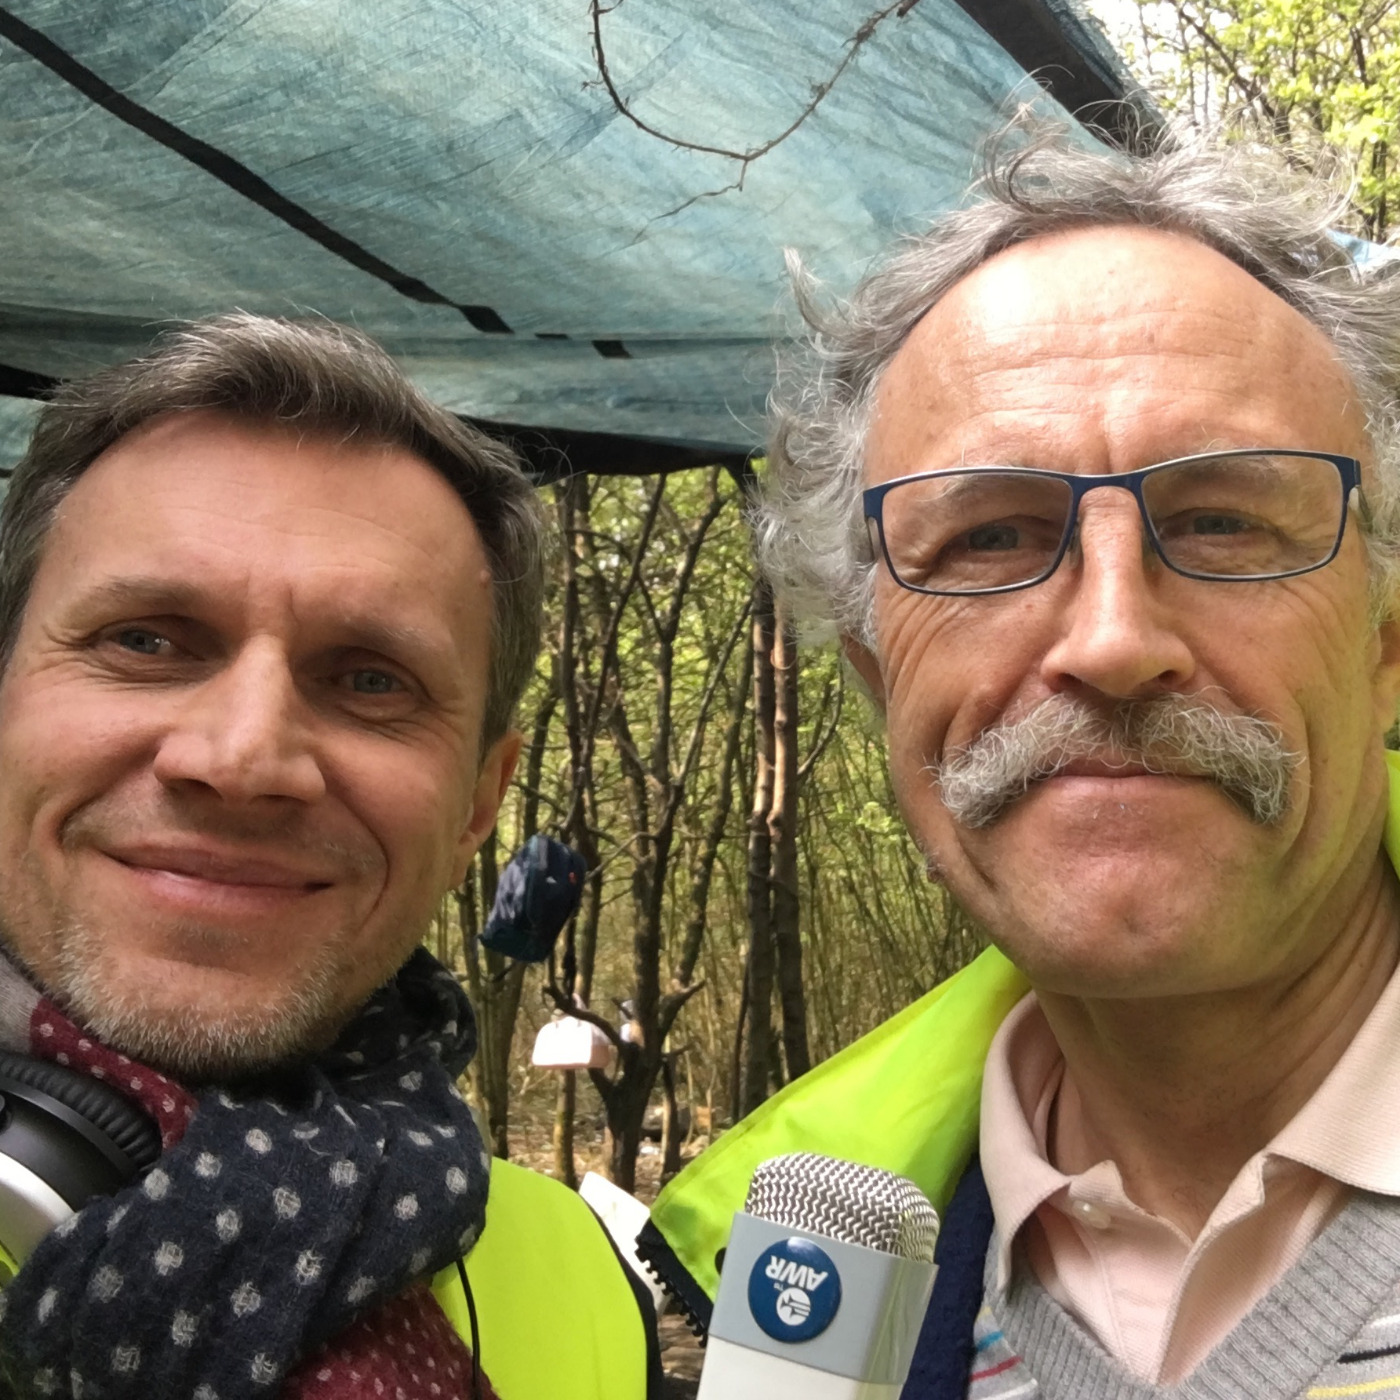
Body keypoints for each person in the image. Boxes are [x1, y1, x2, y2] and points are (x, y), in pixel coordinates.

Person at [641, 123, 1400, 1399]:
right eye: (990, 536)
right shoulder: (805, 1299)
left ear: (1384, 645)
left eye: (1222, 521)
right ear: (881, 681)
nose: (1111, 641)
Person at [0, 314, 659, 1400]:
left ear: (478, 804)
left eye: (369, 680)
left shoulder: (584, 1282)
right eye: (146, 638)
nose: (243, 758)